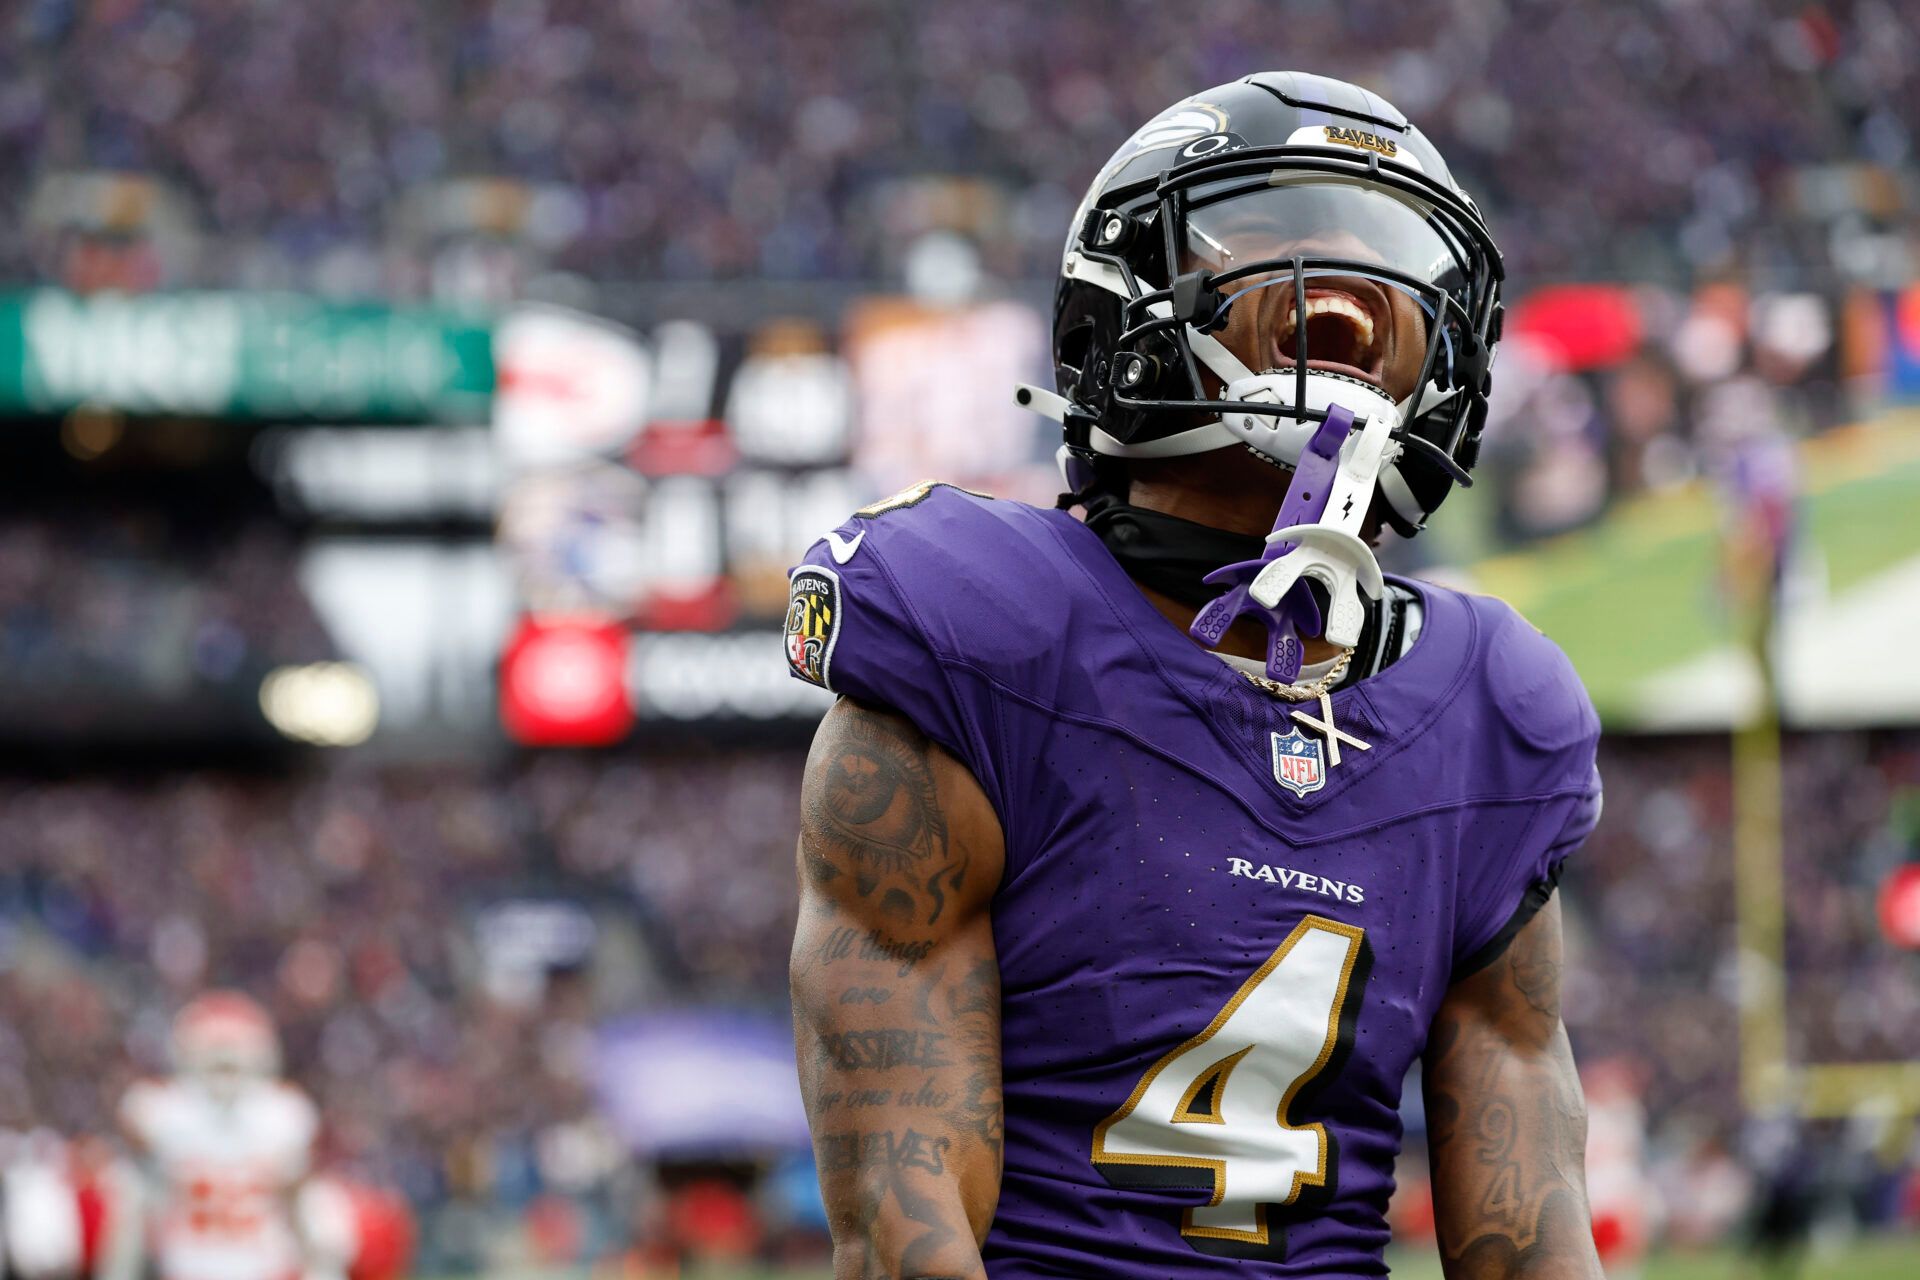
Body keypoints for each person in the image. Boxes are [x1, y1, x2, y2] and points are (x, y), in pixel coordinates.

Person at [786, 71, 1605, 1277]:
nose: (1349, 307)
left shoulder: (1495, 711)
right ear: (1117, 316)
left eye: (1392, 273)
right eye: (1271, 247)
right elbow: (901, 1238)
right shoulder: (986, 633)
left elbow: (1533, 1245)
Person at [114, 992, 326, 1280]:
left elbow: (299, 1208)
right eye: (216, 1063)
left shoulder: (283, 1116)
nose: (225, 1077)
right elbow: (135, 1212)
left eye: (231, 1064)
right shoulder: (162, 1113)